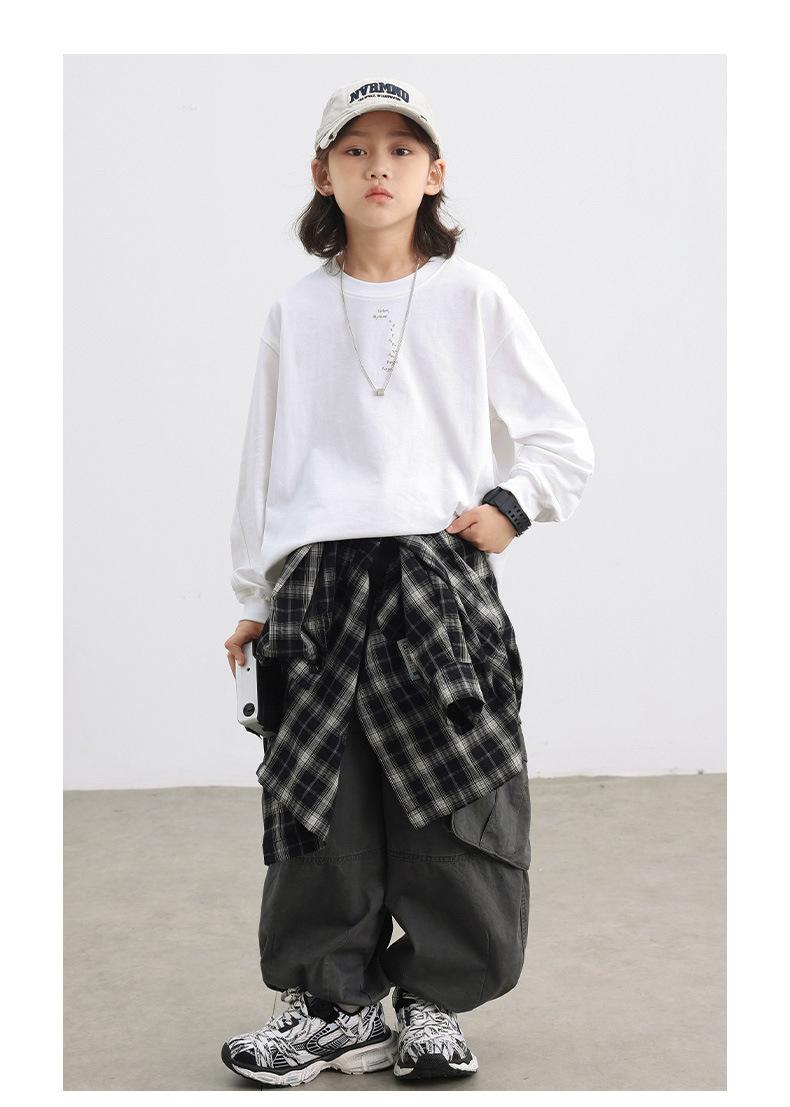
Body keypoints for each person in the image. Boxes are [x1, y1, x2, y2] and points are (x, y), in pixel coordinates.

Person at [221, 77, 594, 1088]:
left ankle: (434, 1001)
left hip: (436, 578)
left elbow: (562, 441)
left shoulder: (474, 297)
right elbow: (262, 464)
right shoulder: (296, 310)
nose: (377, 168)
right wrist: (252, 597)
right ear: (322, 174)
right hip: (318, 587)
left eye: (400, 150)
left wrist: (509, 506)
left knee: (455, 795)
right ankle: (333, 1008)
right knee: (321, 801)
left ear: (434, 174)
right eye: (355, 150)